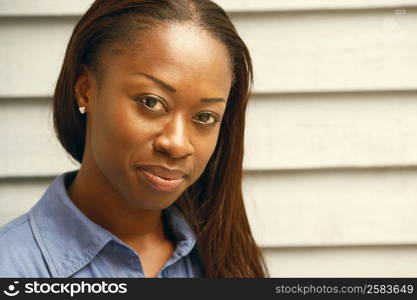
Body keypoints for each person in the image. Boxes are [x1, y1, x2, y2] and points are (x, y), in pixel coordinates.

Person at [0, 0, 267, 278]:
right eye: (151, 102)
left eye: (205, 117)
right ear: (86, 90)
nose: (177, 144)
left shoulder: (225, 261)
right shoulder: (12, 268)